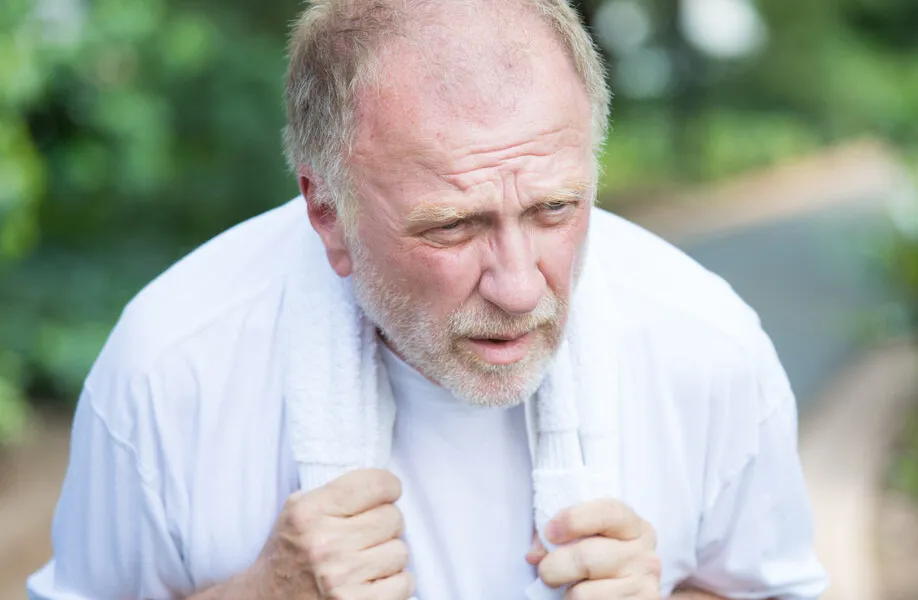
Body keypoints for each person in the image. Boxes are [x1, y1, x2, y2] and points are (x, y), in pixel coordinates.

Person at [26, 0, 829, 598]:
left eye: (555, 209)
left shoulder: (708, 343)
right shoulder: (172, 368)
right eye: (452, 227)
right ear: (327, 215)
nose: (519, 287)